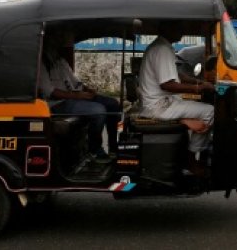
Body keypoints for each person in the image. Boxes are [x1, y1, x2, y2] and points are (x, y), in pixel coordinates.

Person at [138, 24, 215, 175]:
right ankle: (191, 160)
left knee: (196, 106)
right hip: (159, 106)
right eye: (179, 27)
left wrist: (199, 83)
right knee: (210, 111)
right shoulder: (162, 50)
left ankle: (187, 137)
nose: (183, 30)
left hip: (161, 102)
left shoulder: (161, 46)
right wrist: (197, 89)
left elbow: (178, 76)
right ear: (168, 28)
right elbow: (168, 84)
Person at [38, 33, 121, 162]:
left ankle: (113, 148)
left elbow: (75, 82)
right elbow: (50, 92)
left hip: (74, 97)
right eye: (55, 41)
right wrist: (77, 95)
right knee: (98, 110)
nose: (58, 44)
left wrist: (87, 90)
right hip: (57, 104)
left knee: (113, 104)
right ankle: (94, 149)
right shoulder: (41, 64)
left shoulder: (60, 61)